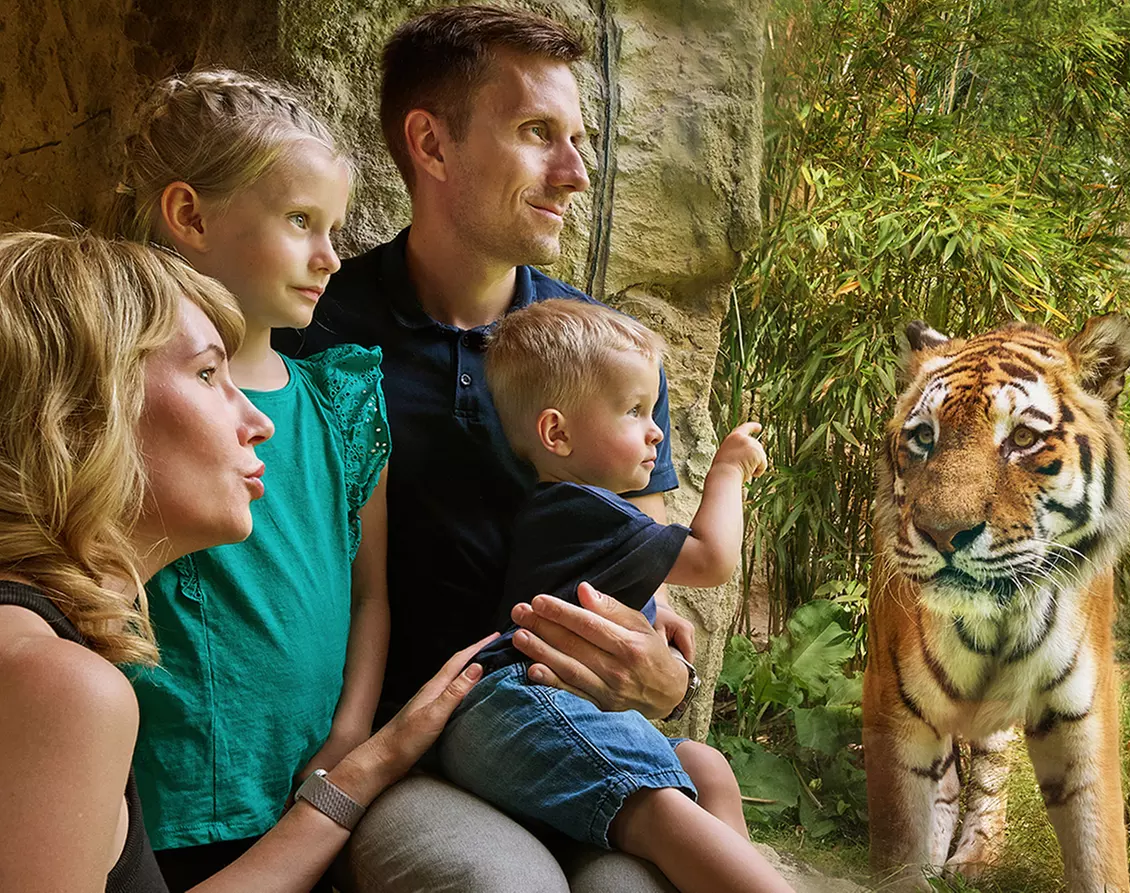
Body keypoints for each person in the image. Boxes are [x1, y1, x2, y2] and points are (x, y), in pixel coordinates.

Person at [276, 7, 708, 890]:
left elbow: (646, 589)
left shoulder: (610, 355)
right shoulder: (312, 336)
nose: (576, 172)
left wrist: (668, 674)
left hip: (567, 729)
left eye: (578, 138)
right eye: (537, 134)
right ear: (431, 146)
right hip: (405, 746)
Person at [0, 230, 495, 892]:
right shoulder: (57, 686)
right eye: (208, 373)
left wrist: (364, 766)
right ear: (82, 415)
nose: (258, 420)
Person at [109, 70, 392, 889]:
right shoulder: (123, 394)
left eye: (332, 226)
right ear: (190, 215)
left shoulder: (341, 402)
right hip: (161, 793)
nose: (331, 256)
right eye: (301, 221)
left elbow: (370, 590)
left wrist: (350, 735)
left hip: (312, 784)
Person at [436, 300, 784, 893]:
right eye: (634, 411)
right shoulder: (583, 507)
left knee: (708, 767)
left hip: (544, 711)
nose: (657, 430)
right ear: (557, 433)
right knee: (657, 810)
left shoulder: (580, 510)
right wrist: (724, 471)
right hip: (520, 704)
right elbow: (711, 558)